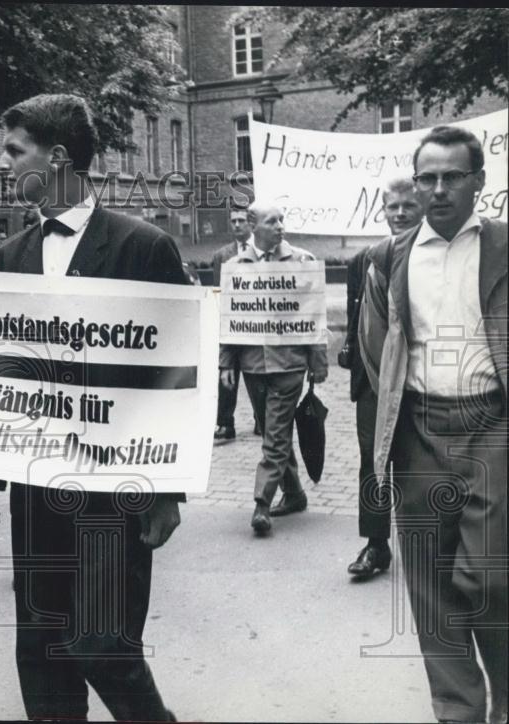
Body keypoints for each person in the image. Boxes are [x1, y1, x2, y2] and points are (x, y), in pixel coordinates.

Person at [0, 93, 187, 722]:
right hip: (36, 492)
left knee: (103, 648)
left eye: (15, 151)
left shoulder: (142, 246)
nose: (5, 166)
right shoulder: (10, 258)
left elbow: (175, 374)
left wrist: (167, 491)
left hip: (115, 491)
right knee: (42, 654)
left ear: (59, 156)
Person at [360, 125, 507, 724]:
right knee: (428, 580)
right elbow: (375, 349)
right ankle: (459, 708)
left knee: (492, 578)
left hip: (492, 425)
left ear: (479, 180)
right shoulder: (388, 256)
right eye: (428, 177)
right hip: (418, 430)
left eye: (452, 177)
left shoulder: (503, 246)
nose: (439, 189)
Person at [219, 199, 328, 535]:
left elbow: (314, 314)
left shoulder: (302, 261)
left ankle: (261, 504)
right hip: (253, 365)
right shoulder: (236, 265)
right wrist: (226, 363)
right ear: (254, 226)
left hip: (289, 364)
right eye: (272, 221)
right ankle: (294, 494)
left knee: (275, 436)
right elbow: (230, 317)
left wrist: (318, 359)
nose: (280, 226)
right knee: (272, 434)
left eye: (282, 220)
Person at [341, 177, 422, 579]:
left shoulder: (430, 258)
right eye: (393, 207)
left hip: (419, 380)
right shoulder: (364, 260)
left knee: (417, 463)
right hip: (371, 380)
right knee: (372, 464)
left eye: (408, 205)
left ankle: (425, 541)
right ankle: (376, 545)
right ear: (383, 211)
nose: (401, 213)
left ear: (421, 206)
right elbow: (354, 321)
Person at [212, 205, 261, 443]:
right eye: (233, 221)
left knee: (258, 376)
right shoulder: (222, 256)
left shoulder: (261, 252)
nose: (237, 225)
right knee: (226, 374)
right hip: (231, 325)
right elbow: (217, 293)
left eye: (242, 220)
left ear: (251, 224)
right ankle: (225, 423)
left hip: (255, 325)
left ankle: (261, 419)